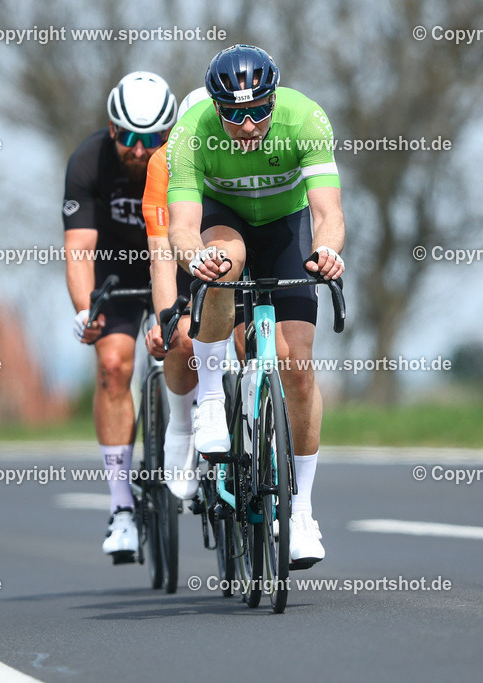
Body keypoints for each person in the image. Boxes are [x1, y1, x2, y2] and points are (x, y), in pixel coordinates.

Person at [166, 45, 346, 568]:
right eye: (234, 114)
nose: (247, 125)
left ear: (274, 98)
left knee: (297, 366)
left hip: (286, 228)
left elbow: (327, 211)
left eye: (259, 110)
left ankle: (302, 511)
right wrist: (194, 257)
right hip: (226, 223)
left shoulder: (304, 117)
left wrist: (328, 251)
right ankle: (211, 403)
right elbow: (181, 224)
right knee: (224, 262)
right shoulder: (192, 131)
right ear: (217, 109)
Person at [63, 71, 178, 562]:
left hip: (175, 263)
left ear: (170, 133)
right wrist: (86, 310)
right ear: (112, 129)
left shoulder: (184, 158)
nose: (139, 149)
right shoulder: (88, 161)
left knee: (190, 346)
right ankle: (122, 509)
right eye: (130, 137)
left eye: (152, 139)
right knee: (113, 366)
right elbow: (79, 249)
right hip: (116, 272)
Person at [141, 87, 211, 501]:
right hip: (183, 262)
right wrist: (166, 320)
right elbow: (162, 256)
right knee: (182, 338)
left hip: (229, 255)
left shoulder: (242, 155)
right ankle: (182, 424)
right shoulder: (163, 164)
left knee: (250, 338)